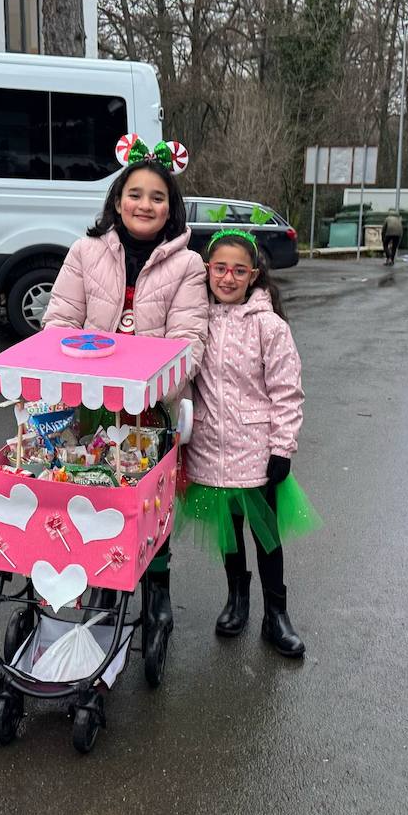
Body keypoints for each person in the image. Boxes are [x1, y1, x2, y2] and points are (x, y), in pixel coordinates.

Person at [41, 134, 208, 639]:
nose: (145, 205)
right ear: (118, 199)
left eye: (158, 198)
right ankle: (99, 580)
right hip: (89, 405)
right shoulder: (85, 252)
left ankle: (157, 588)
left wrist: (151, 385)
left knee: (149, 503)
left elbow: (189, 343)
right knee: (91, 495)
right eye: (135, 194)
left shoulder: (187, 265)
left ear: (170, 210)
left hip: (150, 407)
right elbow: (59, 324)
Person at [178, 229, 321, 657]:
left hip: (256, 449)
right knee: (230, 532)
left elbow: (286, 391)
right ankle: (236, 599)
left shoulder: (269, 327)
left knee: (266, 534)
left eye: (238, 270)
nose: (227, 278)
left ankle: (275, 614)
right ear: (207, 270)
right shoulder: (194, 320)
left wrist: (282, 447)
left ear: (253, 275)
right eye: (219, 268)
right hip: (208, 445)